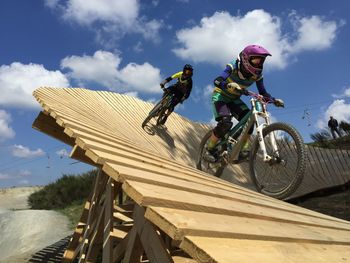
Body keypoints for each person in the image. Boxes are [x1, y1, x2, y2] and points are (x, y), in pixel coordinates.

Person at [205, 44, 284, 162]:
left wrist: (273, 100)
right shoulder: (233, 66)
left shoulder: (257, 75)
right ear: (246, 58)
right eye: (256, 60)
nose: (259, 64)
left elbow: (263, 93)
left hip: (234, 99)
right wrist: (227, 85)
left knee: (249, 121)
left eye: (261, 61)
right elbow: (217, 80)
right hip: (220, 96)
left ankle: (244, 150)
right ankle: (209, 150)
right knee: (225, 123)